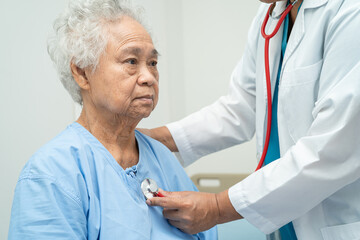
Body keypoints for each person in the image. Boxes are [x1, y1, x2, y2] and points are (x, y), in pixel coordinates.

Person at [141, 0, 360, 239]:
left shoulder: (350, 11)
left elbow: (332, 148)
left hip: (338, 223)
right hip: (284, 225)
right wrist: (154, 138)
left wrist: (216, 206)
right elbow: (241, 107)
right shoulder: (272, 12)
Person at [7, 0, 218, 239]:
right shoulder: (51, 174)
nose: (149, 77)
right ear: (82, 72)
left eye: (153, 63)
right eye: (131, 62)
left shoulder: (163, 160)